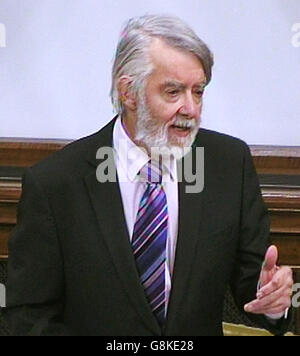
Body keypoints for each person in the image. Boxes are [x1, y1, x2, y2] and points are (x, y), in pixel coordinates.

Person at [4, 15, 293, 336]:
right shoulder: (56, 184)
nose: (191, 108)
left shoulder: (228, 164)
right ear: (128, 92)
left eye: (198, 92)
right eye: (173, 92)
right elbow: (28, 317)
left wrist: (272, 300)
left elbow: (252, 280)